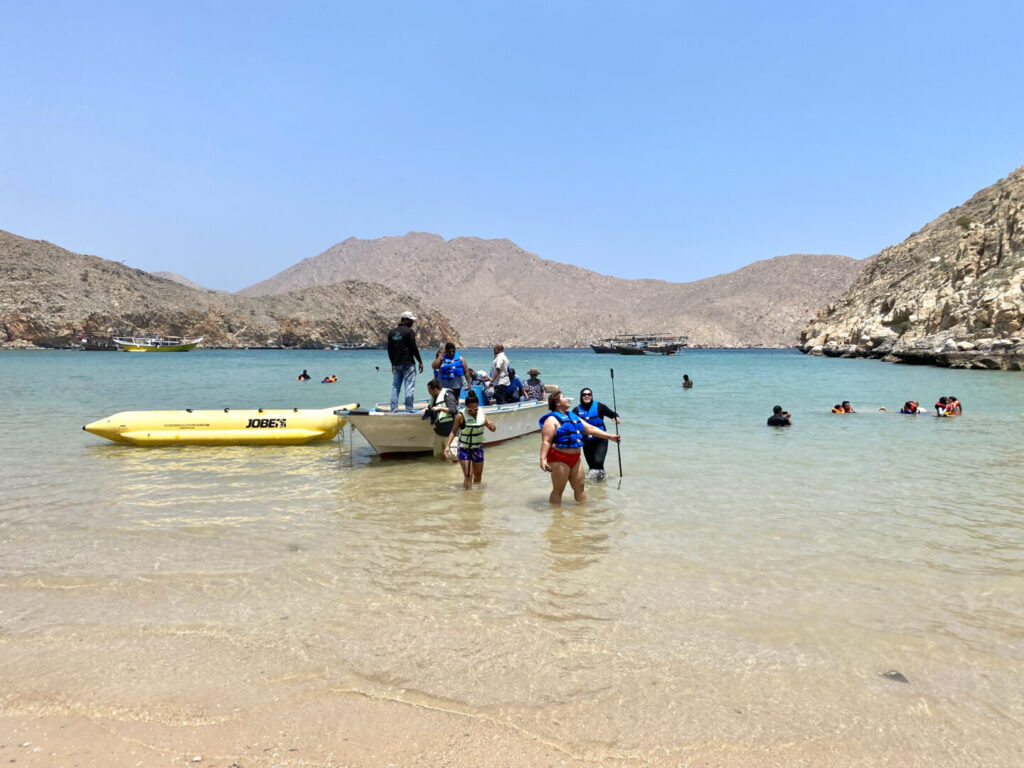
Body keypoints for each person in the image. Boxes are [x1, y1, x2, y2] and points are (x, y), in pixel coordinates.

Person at [540, 390, 621, 505]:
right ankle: (556, 519)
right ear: (557, 403)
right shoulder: (551, 420)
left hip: (575, 458)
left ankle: (582, 516)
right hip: (559, 459)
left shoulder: (572, 416)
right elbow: (546, 441)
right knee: (558, 490)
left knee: (580, 488)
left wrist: (610, 437)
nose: (567, 399)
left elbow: (590, 429)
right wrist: (543, 459)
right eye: (564, 397)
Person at [444, 392, 497, 489]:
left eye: (475, 409)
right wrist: (447, 446)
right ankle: (467, 499)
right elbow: (453, 431)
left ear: (478, 406)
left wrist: (492, 427)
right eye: (470, 410)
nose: (473, 411)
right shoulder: (461, 416)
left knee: (478, 476)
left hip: (477, 448)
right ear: (466, 407)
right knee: (468, 476)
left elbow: (492, 428)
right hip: (464, 448)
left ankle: (476, 499)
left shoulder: (482, 414)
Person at [571, 387, 620, 480]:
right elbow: (571, 423)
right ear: (581, 397)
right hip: (586, 441)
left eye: (589, 394)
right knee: (592, 466)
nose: (587, 396)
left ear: (591, 396)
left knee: (598, 462)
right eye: (584, 394)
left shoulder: (599, 406)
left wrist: (616, 417)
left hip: (601, 440)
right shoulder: (576, 410)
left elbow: (612, 413)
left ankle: (599, 484)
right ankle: (594, 488)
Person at [386, 311, 424, 412]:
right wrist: (420, 361)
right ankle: (409, 410)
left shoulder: (391, 332)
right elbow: (413, 348)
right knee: (409, 387)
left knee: (395, 387)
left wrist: (392, 363)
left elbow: (389, 350)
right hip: (408, 363)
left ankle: (393, 410)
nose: (413, 322)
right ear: (406, 320)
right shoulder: (409, 332)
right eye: (411, 320)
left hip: (396, 364)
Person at [425, 378, 458, 459]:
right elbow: (430, 407)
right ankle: (443, 471)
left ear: (435, 389)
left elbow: (454, 410)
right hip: (439, 432)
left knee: (453, 457)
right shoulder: (434, 397)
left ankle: (455, 471)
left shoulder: (448, 395)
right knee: (439, 456)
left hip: (449, 432)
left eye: (430, 391)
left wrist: (440, 409)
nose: (429, 393)